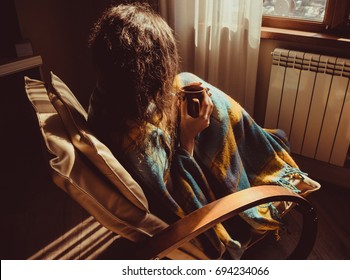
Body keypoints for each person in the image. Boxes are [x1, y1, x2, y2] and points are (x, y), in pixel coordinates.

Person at [87, 2, 320, 259]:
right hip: (206, 207)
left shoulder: (105, 102)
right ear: (147, 74)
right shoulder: (139, 146)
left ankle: (257, 144)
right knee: (214, 108)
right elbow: (180, 202)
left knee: (188, 82)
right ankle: (263, 157)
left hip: (178, 151)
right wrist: (188, 135)